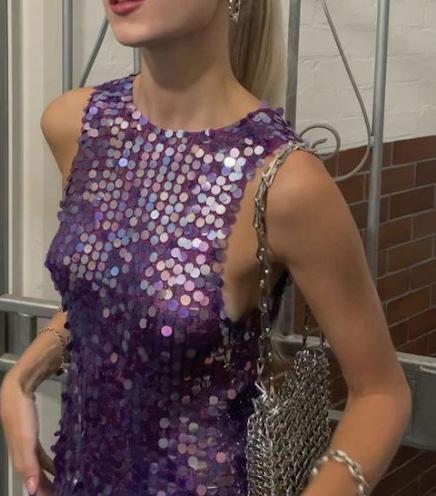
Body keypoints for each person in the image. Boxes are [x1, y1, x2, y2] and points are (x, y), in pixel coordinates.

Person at [0, 0, 412, 495]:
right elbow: (113, 297)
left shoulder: (286, 184)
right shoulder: (76, 126)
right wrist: (23, 373)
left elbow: (381, 393)